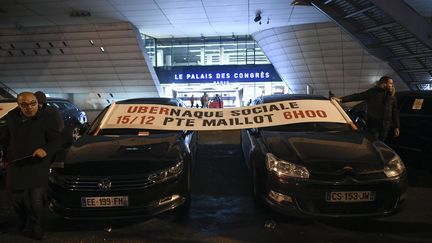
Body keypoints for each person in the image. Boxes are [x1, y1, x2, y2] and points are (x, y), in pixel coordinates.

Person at [2, 92, 62, 240]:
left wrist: (45, 150)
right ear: (18, 105)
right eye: (25, 105)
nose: (30, 108)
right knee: (16, 199)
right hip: (15, 164)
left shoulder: (47, 118)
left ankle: (36, 226)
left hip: (37, 163)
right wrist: (4, 157)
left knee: (35, 199)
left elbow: (57, 141)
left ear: (37, 102)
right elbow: (5, 139)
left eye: (33, 103)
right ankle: (23, 222)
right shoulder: (11, 117)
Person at [337, 76, 399, 141]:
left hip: (385, 127)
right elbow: (357, 96)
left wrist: (396, 126)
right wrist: (341, 99)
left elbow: (394, 112)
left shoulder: (392, 97)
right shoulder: (373, 92)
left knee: (381, 144)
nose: (392, 85)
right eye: (390, 83)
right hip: (373, 126)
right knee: (373, 143)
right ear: (384, 84)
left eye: (392, 84)